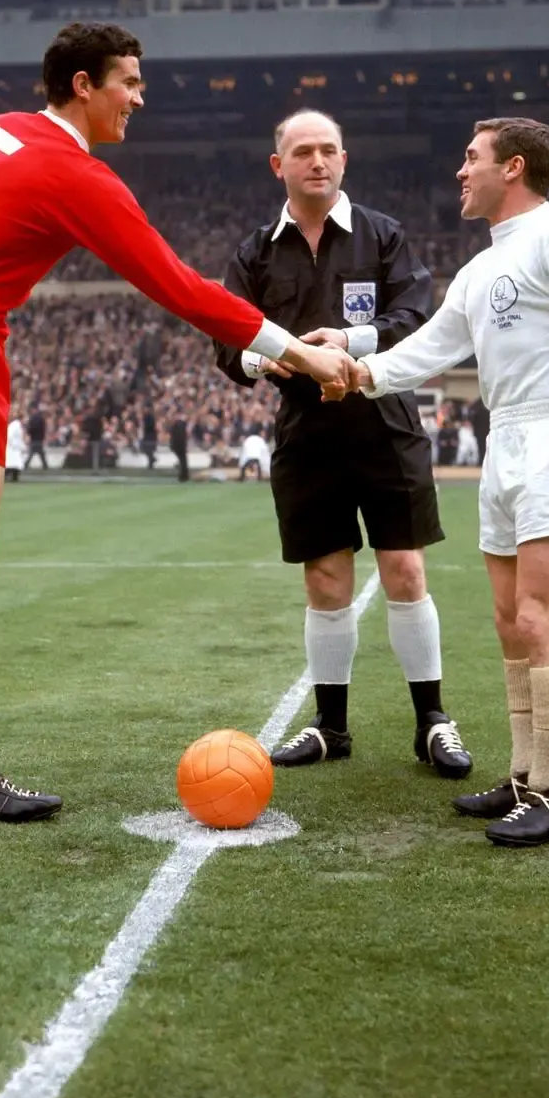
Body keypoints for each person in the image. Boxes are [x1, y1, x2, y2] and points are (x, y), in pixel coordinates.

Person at [0, 22, 349, 825]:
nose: (138, 99)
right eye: (129, 83)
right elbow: (177, 285)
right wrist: (299, 352)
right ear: (83, 84)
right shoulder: (74, 173)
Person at [334, 117, 549, 846]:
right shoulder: (479, 269)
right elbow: (432, 347)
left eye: (472, 159)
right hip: (508, 438)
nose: (460, 173)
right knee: (508, 620)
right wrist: (359, 371)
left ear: (515, 167)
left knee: (540, 618)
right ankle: (525, 773)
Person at [214, 109, 472, 779]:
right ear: (280, 166)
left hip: (385, 422)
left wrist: (350, 342)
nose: (317, 161)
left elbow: (416, 315)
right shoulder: (253, 253)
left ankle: (433, 720)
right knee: (325, 580)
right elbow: (226, 336)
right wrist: (263, 360)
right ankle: (332, 726)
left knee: (405, 570)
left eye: (329, 150)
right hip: (305, 433)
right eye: (303, 151)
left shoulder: (384, 235)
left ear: (344, 161)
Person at [5, 411, 26, 483]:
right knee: (13, 464)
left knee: (15, 464)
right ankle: (12, 478)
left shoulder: (17, 425)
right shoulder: (15, 425)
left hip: (15, 448)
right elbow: (9, 435)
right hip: (12, 448)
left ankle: (14, 478)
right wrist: (14, 445)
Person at [168, 416, 190, 482]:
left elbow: (172, 437)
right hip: (181, 446)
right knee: (183, 461)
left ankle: (183, 475)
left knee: (182, 461)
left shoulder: (174, 427)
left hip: (178, 446)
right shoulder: (181, 426)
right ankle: (184, 475)